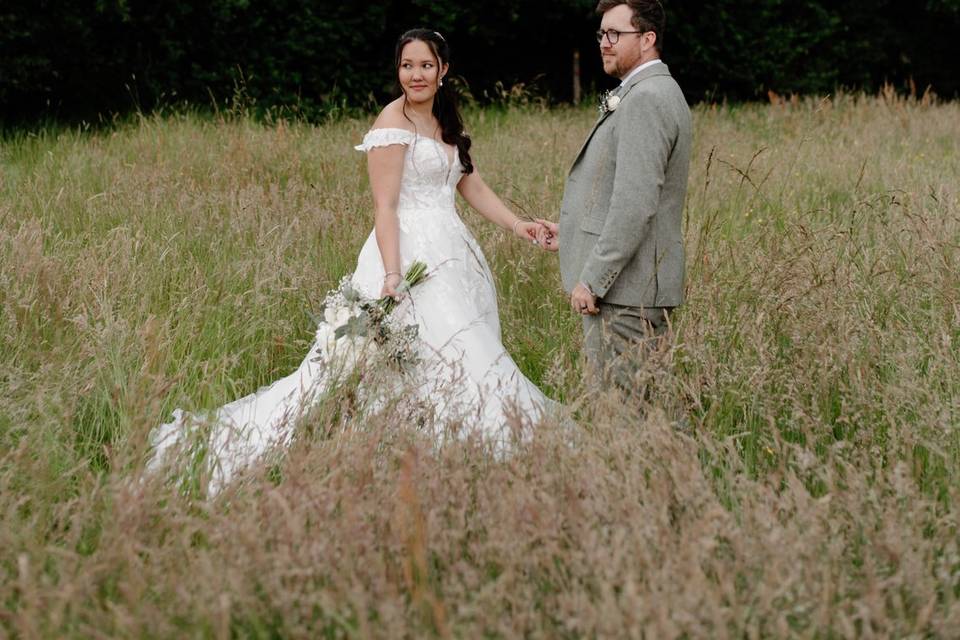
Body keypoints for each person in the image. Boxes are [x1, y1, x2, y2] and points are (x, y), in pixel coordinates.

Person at [149, 29, 556, 494]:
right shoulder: (392, 121)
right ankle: (402, 445)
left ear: (443, 70)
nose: (416, 74)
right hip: (405, 255)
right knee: (420, 353)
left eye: (425, 65)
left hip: (454, 256)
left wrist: (519, 226)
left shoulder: (446, 121)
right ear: (397, 70)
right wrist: (392, 273)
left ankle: (455, 448)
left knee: (462, 349)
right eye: (407, 65)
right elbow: (385, 207)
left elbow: (471, 186)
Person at [537, 0, 692, 392]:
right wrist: (573, 232)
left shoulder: (647, 98)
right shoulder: (654, 91)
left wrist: (592, 280)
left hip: (626, 296)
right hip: (635, 290)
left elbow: (636, 203)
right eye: (602, 34)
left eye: (615, 34)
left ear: (647, 39)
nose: (604, 43)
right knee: (642, 421)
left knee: (622, 420)